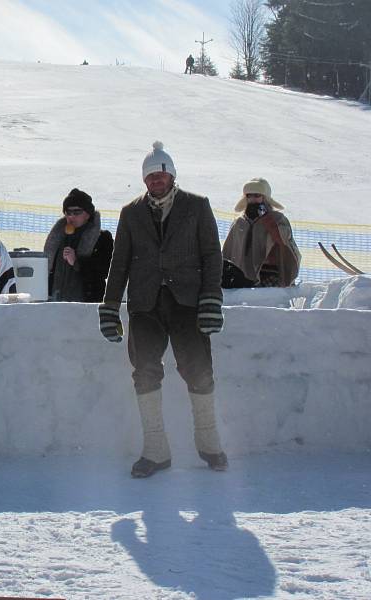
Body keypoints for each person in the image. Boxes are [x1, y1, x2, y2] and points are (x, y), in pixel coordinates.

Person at [98, 141, 227, 478]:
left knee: (199, 370)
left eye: (161, 174)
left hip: (188, 303)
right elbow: (120, 262)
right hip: (144, 305)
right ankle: (155, 451)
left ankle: (209, 443)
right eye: (150, 176)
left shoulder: (198, 207)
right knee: (144, 372)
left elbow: (213, 255)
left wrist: (212, 299)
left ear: (172, 175)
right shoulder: (130, 213)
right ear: (144, 181)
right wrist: (110, 306)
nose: (156, 180)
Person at [222, 177, 301, 288]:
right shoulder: (239, 222)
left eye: (257, 196)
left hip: (269, 276)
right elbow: (229, 251)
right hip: (241, 278)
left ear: (265, 198)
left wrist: (268, 221)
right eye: (249, 196)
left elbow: (284, 243)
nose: (253, 199)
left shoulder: (278, 219)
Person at [44, 188, 113, 302]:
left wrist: (77, 262)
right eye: (68, 212)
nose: (71, 216)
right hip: (56, 302)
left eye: (76, 212)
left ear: (87, 214)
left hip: (86, 304)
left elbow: (104, 270)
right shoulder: (57, 238)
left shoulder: (102, 238)